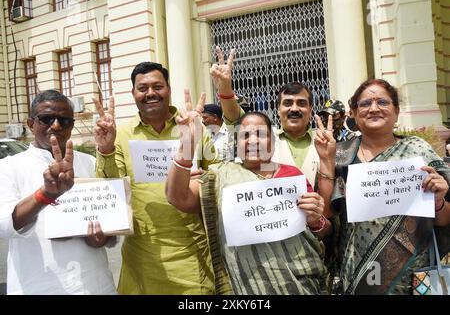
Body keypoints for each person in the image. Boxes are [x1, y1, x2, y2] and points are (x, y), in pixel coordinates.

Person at [166, 110, 333, 294]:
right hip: (247, 287)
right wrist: (186, 146)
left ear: (272, 141)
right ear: (235, 143)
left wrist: (315, 220)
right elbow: (177, 197)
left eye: (260, 134)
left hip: (301, 282)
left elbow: (324, 230)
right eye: (244, 135)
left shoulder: (291, 175)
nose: (252, 141)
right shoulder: (219, 177)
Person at [93, 62, 217, 294]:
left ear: (168, 89)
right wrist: (106, 150)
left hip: (192, 256)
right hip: (142, 259)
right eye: (143, 88)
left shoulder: (193, 127)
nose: (150, 93)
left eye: (157, 86)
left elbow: (220, 177)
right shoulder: (121, 135)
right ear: (133, 93)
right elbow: (111, 191)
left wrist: (204, 180)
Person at [322, 79, 450, 294]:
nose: (373, 108)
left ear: (396, 110)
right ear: (353, 112)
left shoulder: (419, 151)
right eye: (364, 104)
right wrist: (326, 160)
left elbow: (444, 219)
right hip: (357, 274)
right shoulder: (342, 155)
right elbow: (327, 213)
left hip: (412, 277)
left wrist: (438, 202)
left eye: (382, 102)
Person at [0, 90, 116, 295]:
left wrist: (102, 238)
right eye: (46, 119)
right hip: (36, 286)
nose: (55, 125)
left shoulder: (90, 162)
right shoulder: (9, 167)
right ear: (30, 124)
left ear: (71, 125)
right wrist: (45, 195)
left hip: (95, 284)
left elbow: (110, 222)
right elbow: (5, 225)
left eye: (64, 120)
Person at [210, 47, 319, 184]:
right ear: (278, 110)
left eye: (301, 103)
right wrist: (225, 88)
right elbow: (235, 117)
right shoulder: (264, 137)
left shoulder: (323, 142)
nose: (294, 108)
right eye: (288, 103)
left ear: (311, 109)